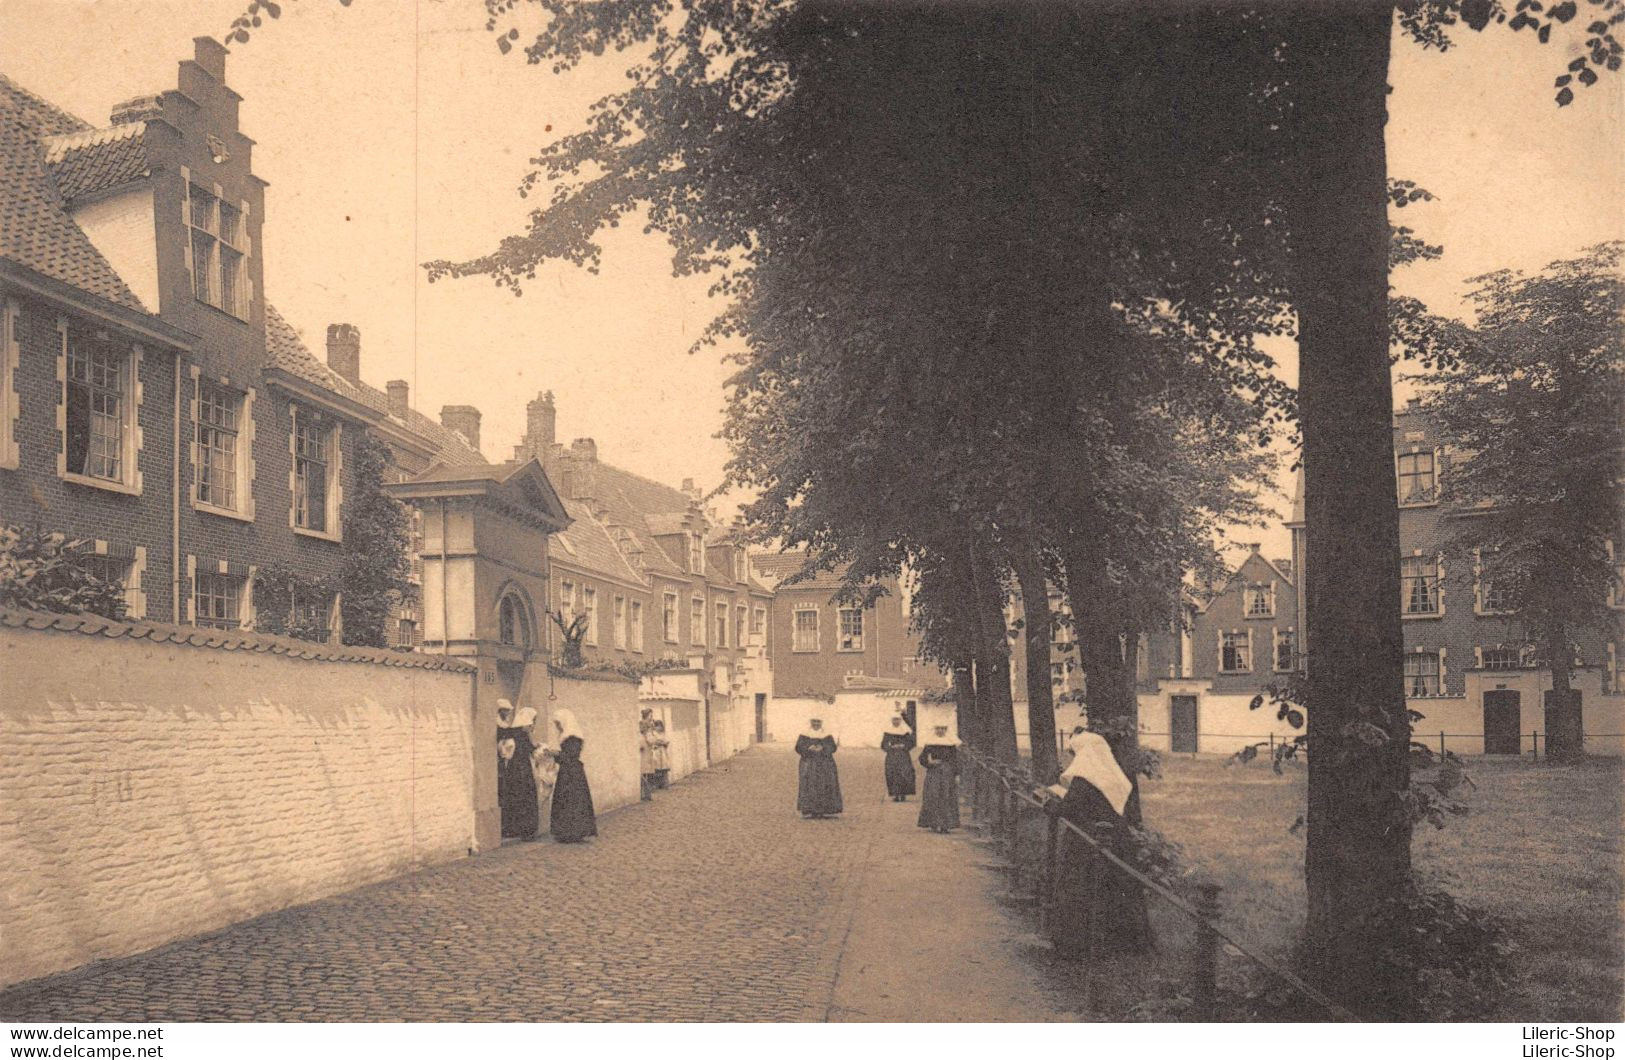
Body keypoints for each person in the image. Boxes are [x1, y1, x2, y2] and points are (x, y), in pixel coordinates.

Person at [1043, 728, 1150, 959]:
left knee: (1080, 889)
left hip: (1088, 842)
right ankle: (1119, 945)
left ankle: (1076, 945)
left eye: (1074, 753)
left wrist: (1049, 805)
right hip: (1117, 841)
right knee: (1115, 889)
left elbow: (1069, 809)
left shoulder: (1084, 780)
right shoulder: (1109, 776)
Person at [548, 708, 598, 843]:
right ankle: (566, 832)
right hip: (567, 772)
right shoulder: (567, 736)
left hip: (573, 773)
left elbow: (571, 755)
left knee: (573, 801)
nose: (557, 726)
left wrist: (556, 754)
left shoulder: (574, 737)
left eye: (558, 723)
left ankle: (574, 832)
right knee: (567, 800)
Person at [496, 700, 540, 840]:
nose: (533, 724)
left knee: (518, 797)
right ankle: (525, 829)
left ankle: (517, 829)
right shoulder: (520, 733)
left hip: (517, 769)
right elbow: (526, 749)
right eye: (532, 721)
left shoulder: (517, 733)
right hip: (520, 769)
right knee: (523, 797)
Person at [916, 723, 961, 833]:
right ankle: (934, 823)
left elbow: (956, 760)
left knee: (947, 797)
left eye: (942, 729)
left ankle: (946, 825)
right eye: (938, 729)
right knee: (933, 796)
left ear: (945, 730)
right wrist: (929, 763)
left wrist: (956, 773)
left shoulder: (951, 744)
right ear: (935, 730)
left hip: (947, 774)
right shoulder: (930, 743)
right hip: (934, 772)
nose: (940, 731)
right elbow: (922, 758)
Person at [794, 717, 843, 818]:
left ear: (821, 723)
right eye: (814, 722)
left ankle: (825, 810)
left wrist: (823, 748)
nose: (816, 724)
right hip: (808, 763)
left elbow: (833, 747)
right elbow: (798, 747)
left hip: (825, 764)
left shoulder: (827, 735)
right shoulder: (804, 734)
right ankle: (811, 810)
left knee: (825, 784)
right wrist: (808, 748)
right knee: (809, 785)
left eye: (818, 722)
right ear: (810, 722)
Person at [880, 713, 917, 802]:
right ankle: (896, 794)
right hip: (892, 755)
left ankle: (903, 794)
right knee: (893, 774)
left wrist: (904, 747)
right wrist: (890, 748)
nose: (896, 721)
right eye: (894, 719)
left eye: (897, 720)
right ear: (892, 720)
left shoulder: (905, 732)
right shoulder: (888, 732)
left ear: (900, 721)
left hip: (903, 755)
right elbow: (883, 744)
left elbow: (912, 743)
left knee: (905, 773)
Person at [638, 707, 656, 801]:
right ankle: (646, 794)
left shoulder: (645, 725)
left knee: (644, 772)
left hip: (645, 749)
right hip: (645, 749)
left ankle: (645, 793)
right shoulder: (647, 726)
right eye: (650, 715)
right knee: (645, 772)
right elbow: (650, 740)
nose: (651, 717)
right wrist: (655, 740)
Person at [651, 718, 672, 789]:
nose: (659, 728)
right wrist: (659, 743)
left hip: (663, 752)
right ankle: (657, 784)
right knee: (657, 768)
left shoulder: (663, 734)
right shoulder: (654, 733)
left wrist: (663, 743)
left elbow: (667, 741)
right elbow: (654, 742)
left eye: (660, 726)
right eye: (657, 726)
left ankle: (665, 784)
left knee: (664, 768)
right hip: (656, 752)